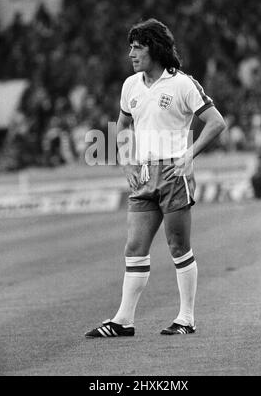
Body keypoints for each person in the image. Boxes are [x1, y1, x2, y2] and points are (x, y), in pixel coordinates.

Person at [85, 18, 226, 338]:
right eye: (130, 47)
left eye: (138, 47)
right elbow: (121, 126)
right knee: (134, 246)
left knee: (178, 246)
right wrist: (126, 163)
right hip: (144, 174)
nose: (131, 54)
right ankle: (123, 321)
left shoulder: (182, 84)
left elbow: (216, 122)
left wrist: (190, 154)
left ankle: (186, 318)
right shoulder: (130, 85)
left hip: (174, 174)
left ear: (156, 49)